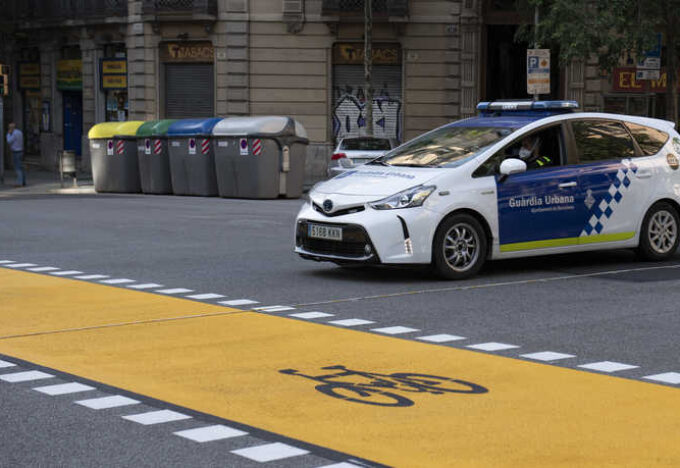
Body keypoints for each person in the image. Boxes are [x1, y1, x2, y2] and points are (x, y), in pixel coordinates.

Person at [6, 122, 25, 186]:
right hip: (20, 150)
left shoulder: (14, 134)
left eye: (10, 127)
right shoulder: (19, 132)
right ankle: (23, 181)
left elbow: (9, 141)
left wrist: (8, 134)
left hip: (16, 151)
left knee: (17, 167)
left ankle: (19, 182)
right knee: (21, 167)